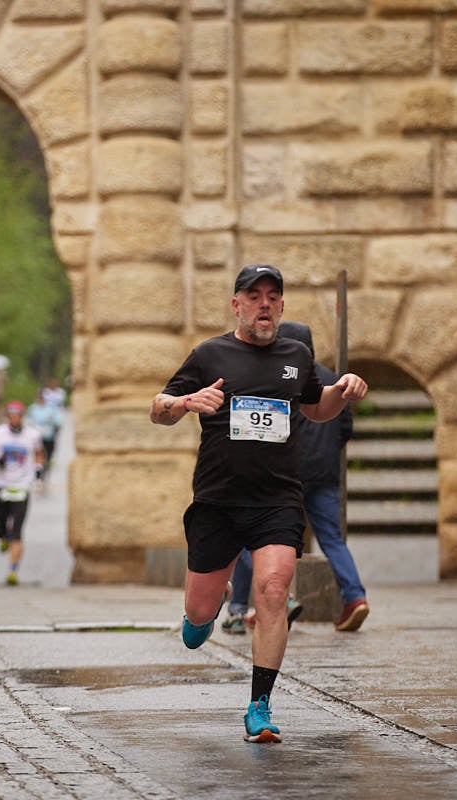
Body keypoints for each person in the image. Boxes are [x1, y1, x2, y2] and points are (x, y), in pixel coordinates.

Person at [150, 264, 367, 743]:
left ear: (282, 306)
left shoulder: (297, 355)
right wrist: (186, 403)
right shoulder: (210, 354)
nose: (264, 303)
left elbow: (317, 407)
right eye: (254, 295)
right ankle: (199, 614)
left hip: (278, 500)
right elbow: (158, 408)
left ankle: (259, 707)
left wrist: (342, 390)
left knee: (272, 590)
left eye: (273, 295)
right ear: (237, 305)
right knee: (201, 611)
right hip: (218, 500)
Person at [221, 321, 367, 634]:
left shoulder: (280, 375)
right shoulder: (333, 379)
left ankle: (277, 598)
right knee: (332, 539)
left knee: (257, 535)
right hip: (325, 474)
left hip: (285, 474)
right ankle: (355, 598)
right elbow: (345, 430)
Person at [0, 400, 45, 586]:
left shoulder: (32, 435)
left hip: (22, 486)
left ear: (22, 417)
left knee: (17, 531)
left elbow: (39, 453)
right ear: (8, 417)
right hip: (1, 485)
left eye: (18, 416)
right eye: (11, 416)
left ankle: (12, 571)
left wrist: (38, 468)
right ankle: (3, 538)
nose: (15, 419)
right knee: (0, 527)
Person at [25, 393, 62, 476]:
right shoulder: (32, 408)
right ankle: (38, 469)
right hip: (36, 437)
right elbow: (28, 420)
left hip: (49, 435)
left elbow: (57, 419)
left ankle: (46, 466)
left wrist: (56, 426)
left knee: (49, 453)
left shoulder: (51, 407)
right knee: (38, 453)